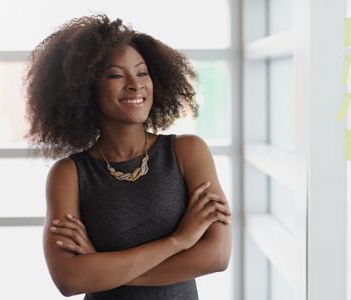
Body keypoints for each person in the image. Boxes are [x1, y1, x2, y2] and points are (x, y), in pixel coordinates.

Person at [24, 15, 232, 299]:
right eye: (116, 75)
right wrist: (179, 241)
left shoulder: (187, 152)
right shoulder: (69, 174)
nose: (135, 85)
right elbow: (70, 280)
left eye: (142, 72)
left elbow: (217, 256)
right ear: (86, 88)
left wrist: (102, 272)